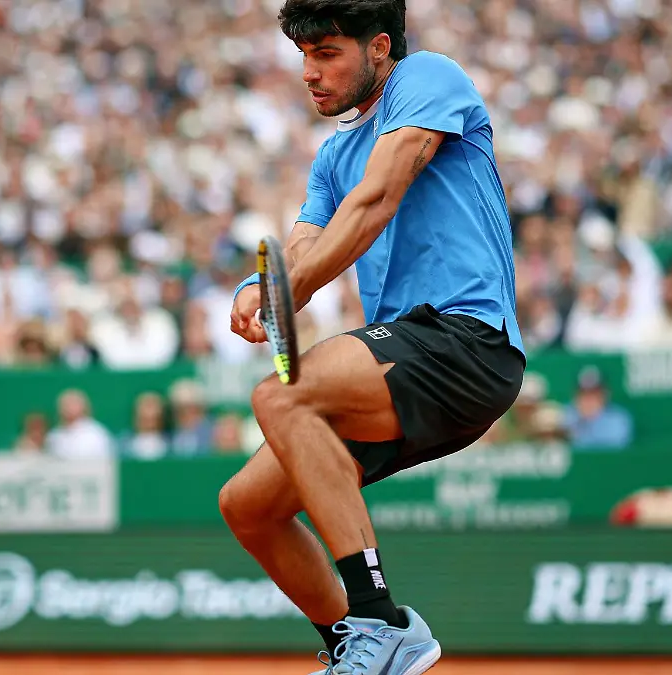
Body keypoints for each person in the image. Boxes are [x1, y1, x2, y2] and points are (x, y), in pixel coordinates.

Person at [222, 1, 525, 673]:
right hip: (406, 365)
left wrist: (286, 292)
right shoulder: (333, 156)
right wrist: (258, 287)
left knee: (281, 395)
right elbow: (301, 250)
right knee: (248, 506)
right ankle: (353, 651)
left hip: (466, 341)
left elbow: (375, 200)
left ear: (380, 47)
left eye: (327, 54)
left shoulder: (428, 78)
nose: (309, 72)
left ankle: (383, 623)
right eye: (304, 56)